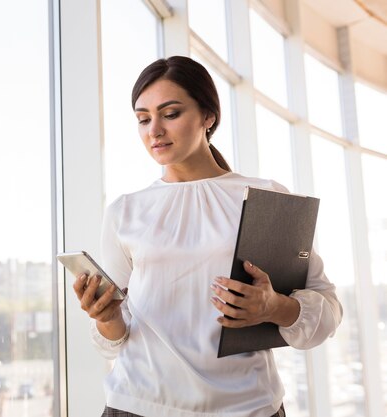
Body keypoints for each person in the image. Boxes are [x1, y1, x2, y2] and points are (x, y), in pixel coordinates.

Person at [73, 56, 343, 417]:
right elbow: (115, 340)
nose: (154, 130)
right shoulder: (125, 211)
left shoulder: (265, 197)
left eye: (170, 114)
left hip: (247, 408)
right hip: (136, 405)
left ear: (208, 117)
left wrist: (273, 306)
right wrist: (105, 317)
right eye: (143, 118)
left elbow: (328, 313)